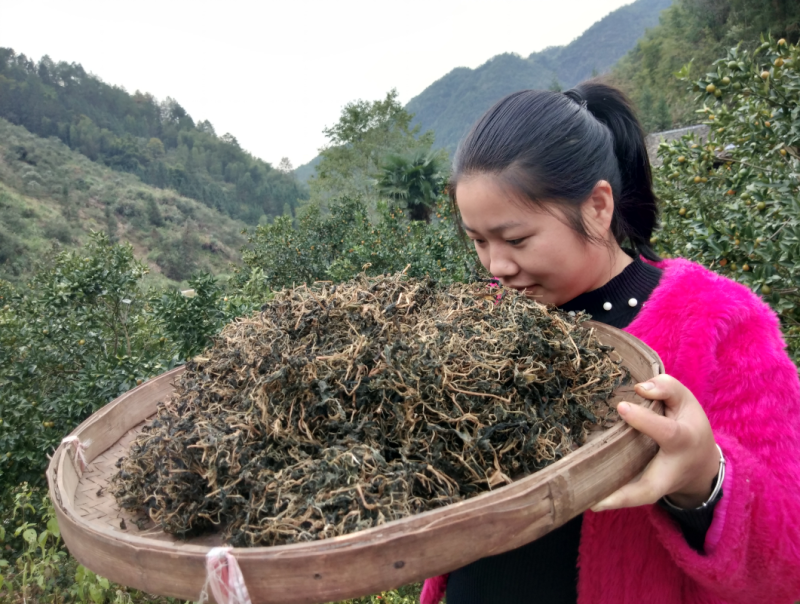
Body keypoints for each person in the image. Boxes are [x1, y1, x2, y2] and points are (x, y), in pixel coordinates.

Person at [419, 82, 800, 604]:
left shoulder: (719, 320)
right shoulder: (483, 315)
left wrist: (705, 477)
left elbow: (788, 559)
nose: (497, 267)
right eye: (478, 241)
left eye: (516, 239)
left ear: (598, 206)